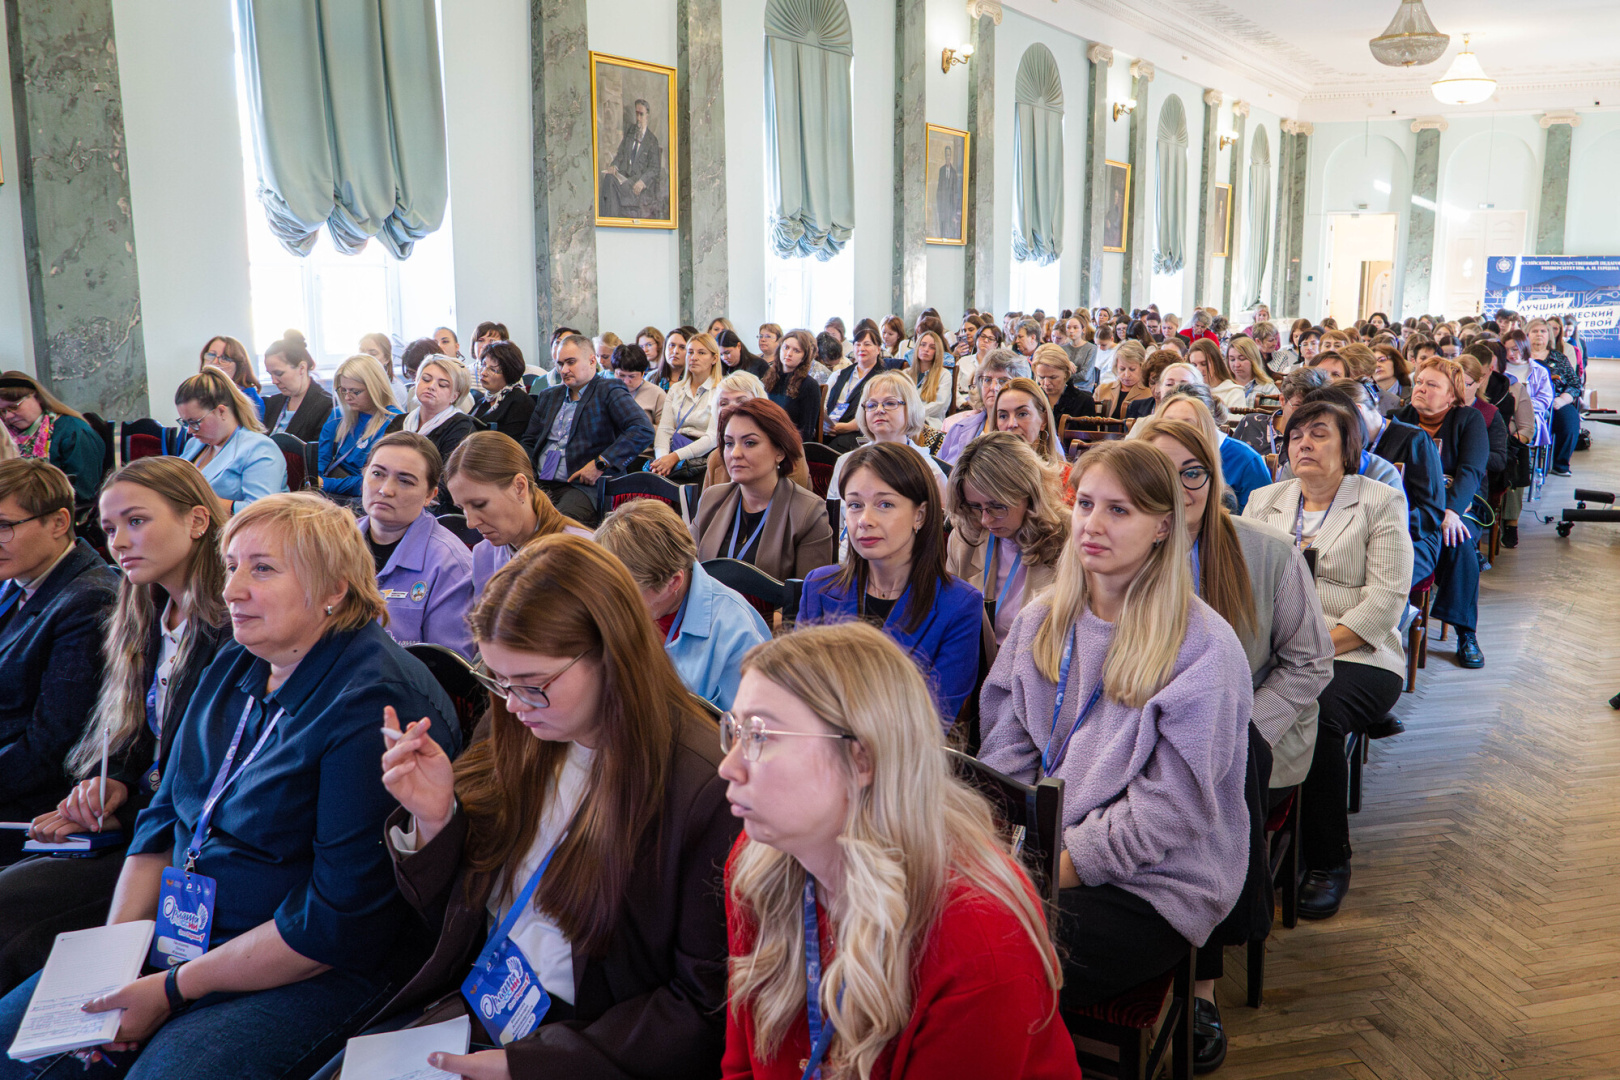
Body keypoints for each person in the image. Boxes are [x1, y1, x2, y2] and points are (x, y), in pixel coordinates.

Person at [0, 493, 462, 1080]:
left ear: (335, 589)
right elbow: (162, 820)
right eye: (233, 566)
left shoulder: (374, 705)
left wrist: (170, 989)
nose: (233, 590)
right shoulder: (235, 662)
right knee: (13, 1046)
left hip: (310, 965)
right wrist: (114, 961)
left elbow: (334, 924)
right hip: (185, 941)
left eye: (262, 569)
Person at [336, 535, 736, 1080]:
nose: (516, 706)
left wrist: (528, 1064)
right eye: (499, 682)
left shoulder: (703, 784)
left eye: (533, 685)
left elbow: (700, 1007)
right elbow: (457, 915)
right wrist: (437, 819)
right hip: (484, 998)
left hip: (588, 1045)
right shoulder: (516, 725)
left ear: (611, 654)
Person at [719, 623, 1079, 1080]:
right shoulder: (760, 860)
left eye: (761, 735)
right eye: (733, 730)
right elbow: (742, 1068)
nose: (728, 766)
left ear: (862, 759)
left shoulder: (978, 940)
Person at [978, 439, 1253, 1006]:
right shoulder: (1040, 622)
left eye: (1119, 509)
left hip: (1152, 879)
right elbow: (1005, 752)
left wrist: (1047, 869)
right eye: (1084, 504)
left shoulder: (1202, 647)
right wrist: (1004, 849)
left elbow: (1167, 813)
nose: (1091, 525)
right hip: (1039, 853)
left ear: (1161, 526)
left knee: (994, 963)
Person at [1135, 415, 1334, 1066]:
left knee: (1215, 775)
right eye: (1161, 474)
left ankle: (1200, 987)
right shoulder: (1121, 553)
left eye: (1192, 472)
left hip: (1249, 735)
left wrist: (1243, 725)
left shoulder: (1265, 551)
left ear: (1212, 478)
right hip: (1141, 733)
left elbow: (1309, 663)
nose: (1180, 487)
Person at [0, 458, 228, 993]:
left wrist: (130, 803)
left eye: (137, 521)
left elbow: (201, 765)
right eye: (108, 528)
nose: (120, 541)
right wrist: (115, 780)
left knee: (11, 907)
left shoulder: (228, 622)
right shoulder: (146, 607)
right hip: (140, 820)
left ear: (197, 521)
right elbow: (137, 733)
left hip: (179, 840)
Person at [1243, 403, 1412, 919]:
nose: (1304, 444)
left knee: (1317, 712)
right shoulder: (1263, 500)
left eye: (1319, 434)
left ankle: (1327, 859)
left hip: (1357, 650)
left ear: (1348, 448)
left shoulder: (1379, 501)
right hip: (1272, 648)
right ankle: (1240, 842)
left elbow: (1385, 600)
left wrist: (1308, 651)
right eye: (1295, 436)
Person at [800, 442, 982, 725]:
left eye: (885, 504)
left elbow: (930, 720)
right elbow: (800, 695)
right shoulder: (819, 587)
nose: (865, 520)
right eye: (856, 505)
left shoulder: (959, 605)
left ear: (919, 515)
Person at [0, 460, 119, 842]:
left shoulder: (88, 600)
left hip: (32, 805)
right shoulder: (17, 581)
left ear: (58, 523)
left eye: (4, 527)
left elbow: (51, 746)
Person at [595, 498, 769, 711]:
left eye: (627, 592)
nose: (614, 602)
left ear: (673, 582)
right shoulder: (620, 600)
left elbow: (744, 732)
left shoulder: (737, 634)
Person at [1393, 358, 1489, 669]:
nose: (1421, 388)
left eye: (1432, 385)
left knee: (1458, 541)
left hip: (1460, 505)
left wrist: (1450, 511)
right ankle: (1392, 613)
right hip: (1413, 508)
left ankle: (1466, 632)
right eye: (1419, 382)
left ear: (1452, 395)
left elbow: (1471, 471)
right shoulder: (1399, 418)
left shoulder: (1468, 419)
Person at [945, 433, 1067, 651]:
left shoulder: (1068, 539)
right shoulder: (966, 536)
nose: (985, 519)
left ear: (1029, 493)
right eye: (975, 506)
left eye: (998, 506)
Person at [359, 433, 475, 659]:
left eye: (405, 481)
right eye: (377, 474)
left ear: (430, 495)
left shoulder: (451, 567)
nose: (385, 489)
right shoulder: (330, 543)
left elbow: (445, 671)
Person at [692, 399, 835, 581]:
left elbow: (808, 598)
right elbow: (687, 570)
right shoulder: (712, 498)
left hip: (772, 610)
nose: (735, 453)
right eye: (729, 443)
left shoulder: (808, 511)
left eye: (749, 443)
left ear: (780, 452)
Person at [521, 333, 656, 525]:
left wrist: (600, 463)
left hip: (583, 486)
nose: (564, 370)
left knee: (556, 525)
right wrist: (524, 473)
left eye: (571, 362)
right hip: (541, 481)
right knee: (511, 517)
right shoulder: (549, 396)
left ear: (592, 360)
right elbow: (529, 441)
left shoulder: (608, 390)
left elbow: (642, 430)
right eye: (560, 364)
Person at [446, 431, 593, 600]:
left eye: (480, 504)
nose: (471, 523)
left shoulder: (583, 551)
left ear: (519, 487)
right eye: (461, 508)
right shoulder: (483, 555)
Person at [176, 369, 288, 512]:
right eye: (185, 423)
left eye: (195, 422)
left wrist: (197, 502)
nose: (190, 431)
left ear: (221, 411)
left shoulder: (259, 448)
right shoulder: (195, 444)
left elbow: (261, 510)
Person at [825, 373, 949, 499]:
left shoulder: (929, 471)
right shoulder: (845, 462)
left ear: (911, 409)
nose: (879, 410)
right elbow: (835, 516)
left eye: (890, 403)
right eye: (872, 405)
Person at [1155, 385, 1271, 513]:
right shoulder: (1153, 457)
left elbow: (1258, 522)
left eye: (1187, 424)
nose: (1176, 432)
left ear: (1208, 426)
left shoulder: (1247, 460)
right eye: (1168, 424)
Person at [0, 371, 107, 503]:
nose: (8, 416)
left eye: (13, 407)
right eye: (2, 411)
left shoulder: (73, 431)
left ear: (37, 397)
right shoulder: (7, 437)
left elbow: (83, 492)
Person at [318, 354, 402, 501]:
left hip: (365, 496)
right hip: (332, 489)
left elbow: (374, 480)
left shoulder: (395, 422)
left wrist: (324, 483)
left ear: (375, 388)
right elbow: (321, 458)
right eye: (343, 390)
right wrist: (315, 480)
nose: (347, 397)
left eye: (355, 391)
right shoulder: (339, 414)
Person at [403, 356, 477, 514]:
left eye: (442, 385)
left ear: (454, 396)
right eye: (426, 379)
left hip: (434, 507)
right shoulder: (400, 422)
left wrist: (403, 496)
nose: (431, 387)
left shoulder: (461, 428)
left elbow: (447, 484)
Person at [651, 331, 725, 483]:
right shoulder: (677, 389)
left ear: (714, 358)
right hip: (674, 450)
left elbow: (712, 438)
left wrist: (674, 457)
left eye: (701, 353)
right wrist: (662, 460)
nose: (694, 357)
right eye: (690, 352)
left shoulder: (721, 390)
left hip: (703, 456)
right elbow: (665, 430)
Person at [938, 350, 1030, 465]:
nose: (993, 387)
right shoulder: (959, 428)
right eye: (987, 380)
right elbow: (939, 470)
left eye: (1002, 381)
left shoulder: (1029, 429)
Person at [1527, 317, 1582, 476]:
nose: (1539, 335)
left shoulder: (1559, 358)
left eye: (1543, 331)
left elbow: (1574, 384)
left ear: (1549, 335)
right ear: (1527, 334)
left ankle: (1560, 464)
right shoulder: (1521, 357)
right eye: (1534, 331)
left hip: (1555, 400)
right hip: (1527, 401)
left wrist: (1562, 399)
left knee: (1570, 420)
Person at [822, 324, 886, 453]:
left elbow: (875, 411)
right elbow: (823, 402)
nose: (861, 348)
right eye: (857, 344)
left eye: (867, 344)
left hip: (860, 431)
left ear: (878, 349)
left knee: (834, 447)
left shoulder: (882, 379)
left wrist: (847, 427)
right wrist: (824, 423)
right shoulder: (840, 374)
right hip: (830, 427)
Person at [262, 331, 334, 441]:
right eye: (270, 374)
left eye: (279, 373)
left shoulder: (327, 406)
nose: (274, 381)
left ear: (302, 368)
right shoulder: (272, 404)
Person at [600, 97, 665, 219]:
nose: (638, 119)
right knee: (609, 177)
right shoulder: (630, 132)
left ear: (647, 116)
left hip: (637, 186)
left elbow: (655, 168)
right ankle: (610, 219)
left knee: (610, 182)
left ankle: (611, 221)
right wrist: (614, 165)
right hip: (625, 179)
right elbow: (621, 153)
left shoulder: (652, 141)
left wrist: (642, 181)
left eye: (641, 115)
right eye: (637, 114)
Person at [762, 329, 826, 445]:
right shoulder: (767, 379)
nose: (789, 353)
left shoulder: (809, 385)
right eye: (786, 348)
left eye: (796, 350)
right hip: (766, 440)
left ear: (804, 357)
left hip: (791, 445)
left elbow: (806, 431)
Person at [471, 340, 538, 442]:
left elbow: (509, 443)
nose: (483, 372)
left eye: (493, 369)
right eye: (483, 365)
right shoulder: (483, 400)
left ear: (509, 372)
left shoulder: (520, 402)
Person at [198, 335, 265, 419]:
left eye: (225, 358)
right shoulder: (196, 393)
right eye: (211, 355)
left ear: (239, 367)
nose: (215, 362)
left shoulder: (249, 399)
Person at [1033, 343, 1095, 423]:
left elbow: (1089, 435)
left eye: (1053, 377)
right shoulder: (1032, 399)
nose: (1046, 383)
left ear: (1066, 374)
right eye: (1041, 377)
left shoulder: (1084, 402)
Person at [610, 342, 667, 428]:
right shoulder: (606, 391)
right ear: (614, 372)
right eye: (621, 375)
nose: (626, 381)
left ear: (643, 373)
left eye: (632, 376)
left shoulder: (657, 394)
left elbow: (663, 430)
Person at [1093, 342, 1151, 422]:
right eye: (1122, 369)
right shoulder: (1101, 390)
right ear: (1116, 366)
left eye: (1132, 369)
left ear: (1142, 366)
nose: (1126, 375)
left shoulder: (1150, 393)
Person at [907, 328, 955, 423]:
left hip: (930, 422)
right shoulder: (905, 374)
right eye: (923, 345)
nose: (926, 350)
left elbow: (940, 405)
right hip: (906, 421)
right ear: (917, 347)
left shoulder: (944, 374)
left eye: (932, 347)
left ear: (937, 351)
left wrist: (915, 414)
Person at [1189, 339, 1246, 411]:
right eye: (1194, 365)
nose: (1199, 370)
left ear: (1216, 363)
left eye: (1204, 364)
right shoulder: (1190, 392)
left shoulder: (1234, 392)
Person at [1226, 335, 1276, 404]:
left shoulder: (1268, 389)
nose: (1236, 364)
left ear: (1253, 359)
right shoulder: (1224, 387)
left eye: (1242, 359)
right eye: (1232, 359)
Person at [1373, 344, 1413, 411]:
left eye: (1382, 360)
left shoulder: (1412, 396)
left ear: (1395, 362)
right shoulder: (1365, 397)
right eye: (1372, 363)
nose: (1377, 365)